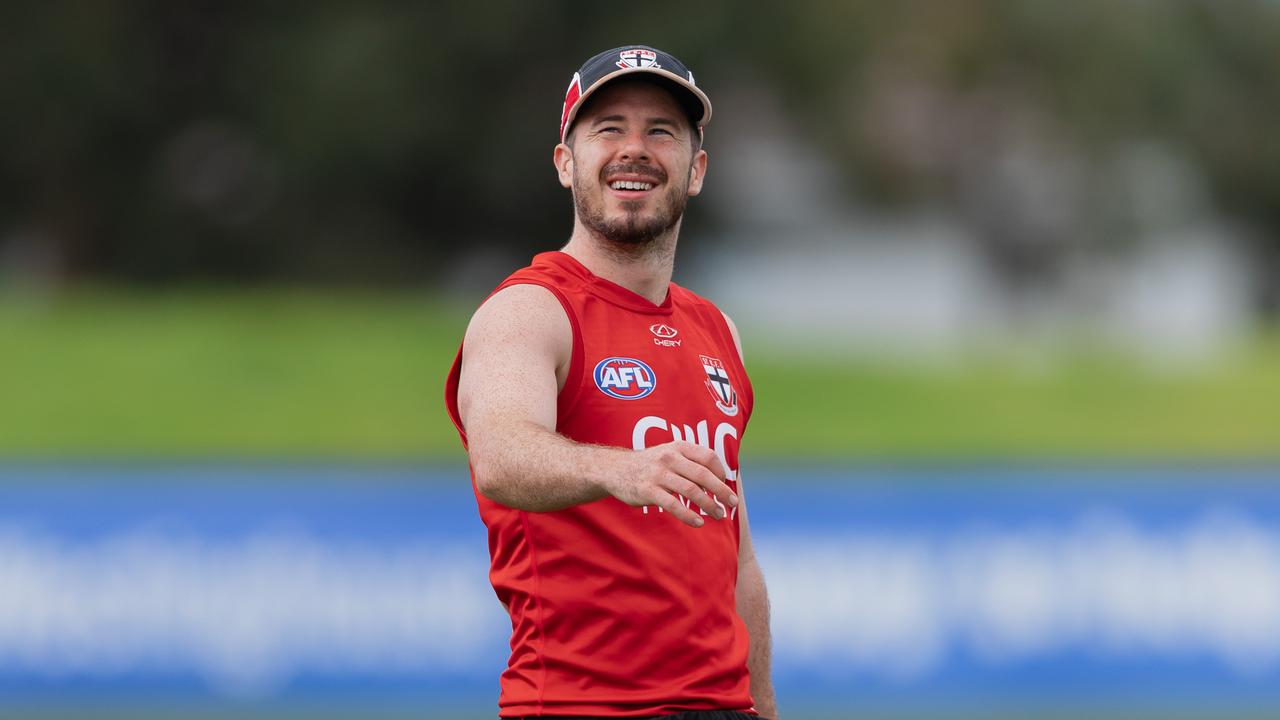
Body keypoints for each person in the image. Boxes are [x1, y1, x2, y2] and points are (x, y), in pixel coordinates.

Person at [445, 45, 777, 720]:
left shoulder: (717, 330)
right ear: (566, 164)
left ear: (697, 170)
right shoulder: (530, 309)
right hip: (581, 706)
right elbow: (501, 455)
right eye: (608, 129)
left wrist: (761, 706)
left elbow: (735, 561)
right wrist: (622, 469)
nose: (635, 149)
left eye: (661, 131)